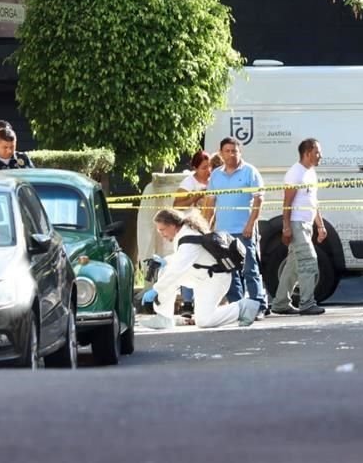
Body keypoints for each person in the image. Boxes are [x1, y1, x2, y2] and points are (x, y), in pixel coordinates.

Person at [140, 208, 261, 330]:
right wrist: (165, 261)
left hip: (214, 279)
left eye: (162, 230)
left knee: (204, 320)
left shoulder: (188, 238)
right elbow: (183, 259)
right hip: (203, 276)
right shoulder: (185, 234)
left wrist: (156, 289)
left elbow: (177, 269)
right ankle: (164, 318)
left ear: (172, 225)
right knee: (165, 270)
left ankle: (243, 307)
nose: (162, 235)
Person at [203, 137, 268, 317]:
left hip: (244, 231)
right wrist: (205, 228)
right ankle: (238, 307)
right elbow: (210, 204)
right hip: (223, 233)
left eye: (235, 151)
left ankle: (258, 306)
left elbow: (258, 200)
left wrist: (250, 225)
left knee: (250, 270)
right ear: (221, 153)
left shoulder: (250, 172)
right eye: (228, 151)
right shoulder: (216, 174)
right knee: (230, 271)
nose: (231, 154)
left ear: (240, 152)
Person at [272, 138, 326, 316]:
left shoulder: (310, 173)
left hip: (307, 224)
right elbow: (287, 202)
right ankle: (307, 303)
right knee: (309, 261)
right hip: (297, 224)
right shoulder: (295, 173)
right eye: (318, 152)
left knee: (293, 266)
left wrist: (321, 226)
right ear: (308, 153)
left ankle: (280, 303)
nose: (320, 156)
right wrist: (286, 227)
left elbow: (313, 202)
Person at [172, 150, 214, 315]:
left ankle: (203, 301)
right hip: (191, 228)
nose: (208, 171)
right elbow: (176, 205)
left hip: (209, 227)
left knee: (206, 264)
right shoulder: (188, 182)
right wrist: (194, 198)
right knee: (188, 262)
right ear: (195, 168)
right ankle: (187, 302)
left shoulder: (214, 181)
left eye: (209, 167)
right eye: (204, 167)